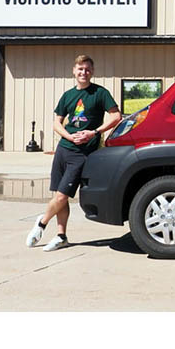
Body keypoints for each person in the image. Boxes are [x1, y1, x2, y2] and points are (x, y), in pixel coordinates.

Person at [26, 54, 120, 251]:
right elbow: (56, 123)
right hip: (64, 149)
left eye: (87, 69)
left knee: (61, 196)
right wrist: (69, 137)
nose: (83, 72)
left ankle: (41, 223)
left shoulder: (100, 93)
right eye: (80, 69)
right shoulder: (68, 96)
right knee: (60, 196)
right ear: (74, 71)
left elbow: (116, 116)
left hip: (83, 153)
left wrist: (94, 132)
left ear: (92, 72)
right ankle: (61, 236)